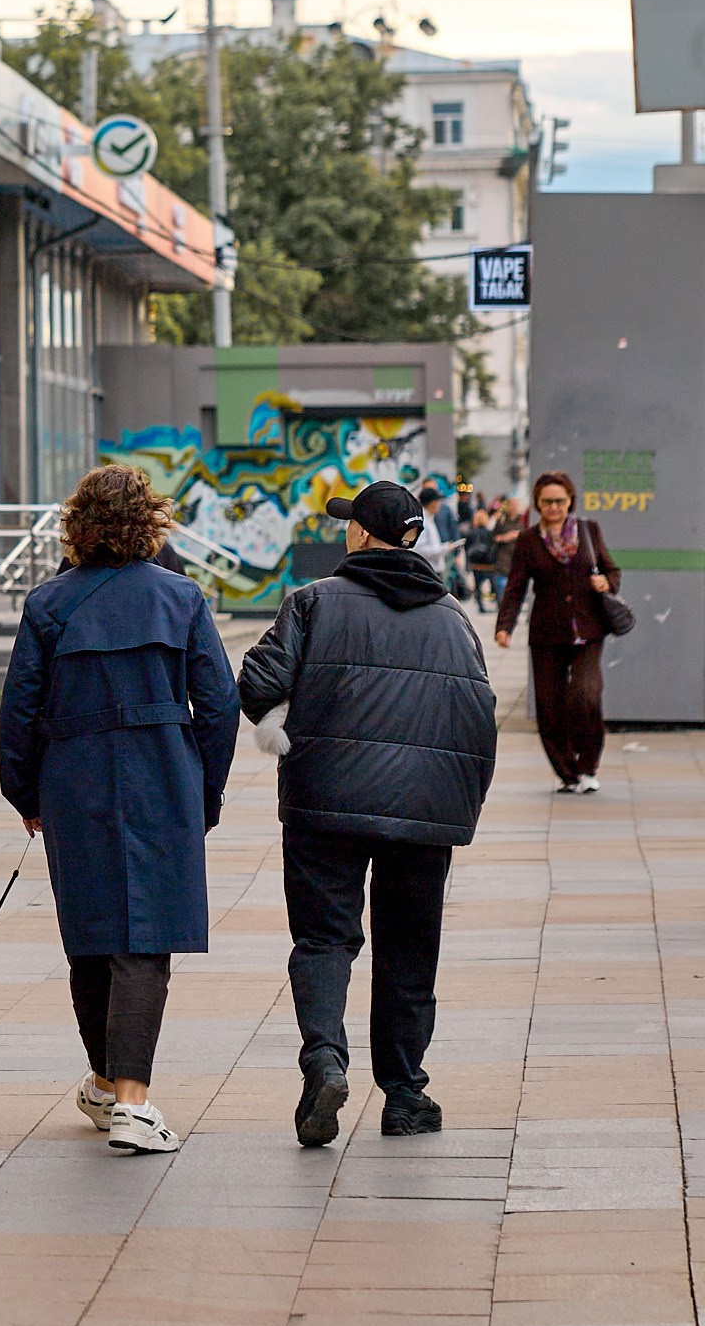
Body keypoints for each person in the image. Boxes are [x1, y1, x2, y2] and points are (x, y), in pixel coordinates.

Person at [239, 480, 496, 1146]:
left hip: (325, 803)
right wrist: (457, 804)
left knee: (325, 939)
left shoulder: (313, 603)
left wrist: (283, 737)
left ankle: (325, 1058)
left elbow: (259, 682)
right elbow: (478, 717)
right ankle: (406, 1095)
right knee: (409, 949)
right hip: (423, 812)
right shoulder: (452, 618)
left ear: (358, 533)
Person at [0, 466, 241, 1157]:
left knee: (91, 932)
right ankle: (132, 1101)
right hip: (161, 773)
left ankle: (107, 1084)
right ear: (151, 522)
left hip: (74, 777)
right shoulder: (182, 597)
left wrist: (26, 792)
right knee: (146, 937)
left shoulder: (48, 605)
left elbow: (19, 709)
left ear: (79, 524)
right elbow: (220, 705)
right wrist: (205, 790)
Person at [497, 471, 620, 795]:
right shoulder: (528, 540)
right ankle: (567, 773)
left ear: (570, 501)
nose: (554, 507)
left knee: (586, 695)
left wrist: (607, 583)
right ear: (538, 504)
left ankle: (588, 766)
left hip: (588, 631)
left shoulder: (588, 531)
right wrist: (504, 627)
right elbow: (516, 587)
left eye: (560, 501)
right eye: (547, 502)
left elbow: (611, 568)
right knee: (549, 706)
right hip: (547, 634)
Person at [463, 503, 500, 611]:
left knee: (478, 586)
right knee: (493, 584)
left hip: (476, 563)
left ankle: (480, 606)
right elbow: (493, 547)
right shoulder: (489, 533)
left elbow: (467, 548)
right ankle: (498, 603)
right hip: (488, 563)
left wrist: (468, 563)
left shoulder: (470, 533)